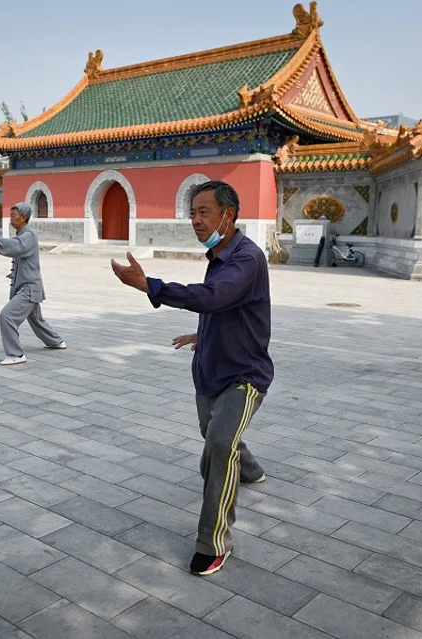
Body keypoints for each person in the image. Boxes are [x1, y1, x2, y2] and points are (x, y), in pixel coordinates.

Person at [111, 180, 273, 576]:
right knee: (214, 434)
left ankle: (214, 542)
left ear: (228, 214)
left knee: (218, 446)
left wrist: (150, 285)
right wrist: (202, 335)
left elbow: (214, 297)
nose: (195, 220)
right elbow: (228, 308)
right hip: (209, 367)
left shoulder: (247, 258)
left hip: (244, 375)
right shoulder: (218, 253)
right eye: (193, 213)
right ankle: (250, 469)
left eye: (204, 212)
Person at [0, 203, 66, 365]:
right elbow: (23, 256)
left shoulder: (28, 235)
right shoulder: (24, 234)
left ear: (24, 217)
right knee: (36, 319)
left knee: (7, 315)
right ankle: (56, 341)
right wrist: (15, 272)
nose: (11, 218)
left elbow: (15, 248)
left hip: (29, 287)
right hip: (26, 284)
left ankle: (16, 355)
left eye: (14, 215)